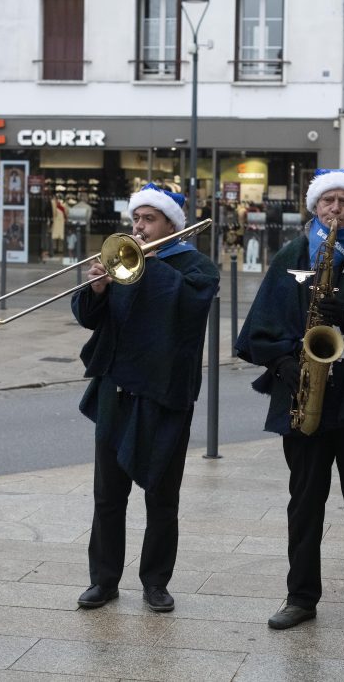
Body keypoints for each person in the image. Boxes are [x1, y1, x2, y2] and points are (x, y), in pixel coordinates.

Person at [235, 166, 344, 631]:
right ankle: (300, 597)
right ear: (314, 207)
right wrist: (283, 364)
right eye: (327, 201)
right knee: (304, 500)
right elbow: (258, 329)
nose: (335, 210)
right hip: (304, 391)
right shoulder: (293, 253)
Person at [72, 183, 218, 613]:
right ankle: (103, 581)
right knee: (107, 495)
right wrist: (96, 290)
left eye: (148, 219)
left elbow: (188, 315)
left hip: (164, 394)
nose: (138, 227)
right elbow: (88, 320)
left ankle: (156, 582)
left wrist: (150, 264)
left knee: (162, 496)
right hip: (115, 390)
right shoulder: (121, 262)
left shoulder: (198, 267)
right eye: (136, 219)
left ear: (171, 225)